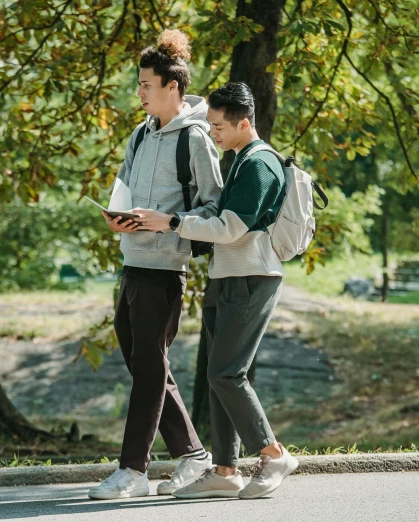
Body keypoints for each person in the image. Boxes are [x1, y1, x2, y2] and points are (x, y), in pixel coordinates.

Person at [136, 82, 299, 500]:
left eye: (219, 126)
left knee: (228, 373)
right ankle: (226, 470)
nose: (212, 133)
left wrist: (170, 222)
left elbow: (228, 229)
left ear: (245, 123)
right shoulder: (240, 159)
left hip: (252, 277)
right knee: (216, 376)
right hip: (227, 277)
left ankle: (274, 453)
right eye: (209, 125)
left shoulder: (259, 164)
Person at [87, 29, 224, 500]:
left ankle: (132, 471)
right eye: (140, 84)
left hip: (166, 269)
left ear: (173, 87)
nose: (140, 92)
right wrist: (116, 219)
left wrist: (169, 221)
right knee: (146, 367)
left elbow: (215, 209)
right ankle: (193, 455)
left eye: (147, 84)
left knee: (149, 369)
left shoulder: (197, 140)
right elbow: (121, 191)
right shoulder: (138, 136)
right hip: (132, 263)